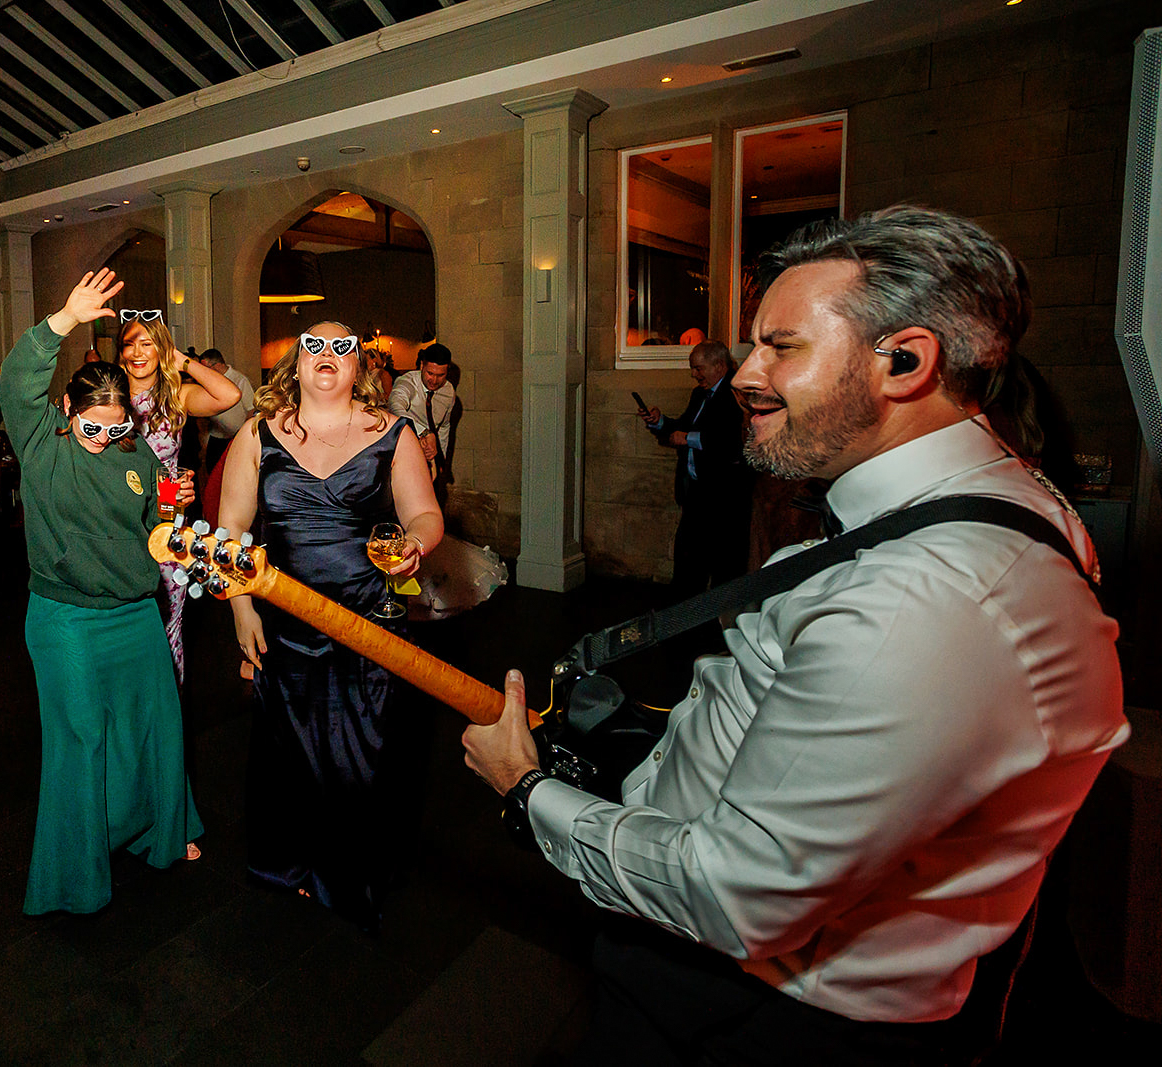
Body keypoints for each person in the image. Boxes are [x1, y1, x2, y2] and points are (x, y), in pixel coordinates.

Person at [462, 206, 1129, 1065]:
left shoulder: (918, 603)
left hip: (748, 1008)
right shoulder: (969, 502)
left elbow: (735, 893)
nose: (747, 374)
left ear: (905, 361)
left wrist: (527, 792)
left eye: (782, 347)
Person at [220, 321, 443, 931]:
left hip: (367, 622)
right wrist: (241, 608)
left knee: (360, 754)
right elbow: (230, 530)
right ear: (295, 364)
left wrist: (415, 546)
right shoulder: (256, 434)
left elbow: (424, 514)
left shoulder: (393, 434)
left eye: (341, 347)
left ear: (359, 367)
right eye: (313, 346)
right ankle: (289, 864)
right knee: (289, 751)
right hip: (283, 623)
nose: (327, 355)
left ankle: (351, 874)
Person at [1, 270, 204, 916]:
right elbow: (15, 380)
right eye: (94, 428)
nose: (106, 440)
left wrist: (174, 511)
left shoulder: (137, 455)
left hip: (135, 616)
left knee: (155, 727)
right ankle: (76, 875)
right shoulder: (42, 444)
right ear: (67, 409)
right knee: (83, 740)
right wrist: (64, 319)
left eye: (118, 430)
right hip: (67, 619)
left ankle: (158, 830)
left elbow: (152, 534)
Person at [115, 311, 242, 679]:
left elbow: (230, 395)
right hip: (121, 525)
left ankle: (169, 704)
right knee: (126, 628)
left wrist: (183, 361)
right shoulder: (110, 398)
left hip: (168, 524)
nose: (138, 352)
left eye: (147, 343)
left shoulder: (176, 396)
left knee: (170, 623)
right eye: (129, 344)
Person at [639, 340, 751, 597]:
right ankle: (685, 614)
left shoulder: (738, 395)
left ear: (719, 366)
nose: (693, 374)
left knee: (724, 567)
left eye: (698, 368)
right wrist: (659, 422)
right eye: (693, 368)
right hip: (696, 495)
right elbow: (682, 426)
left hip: (724, 498)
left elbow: (733, 442)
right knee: (688, 564)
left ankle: (717, 617)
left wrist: (688, 438)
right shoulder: (699, 394)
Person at [387, 342, 456, 500]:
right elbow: (395, 408)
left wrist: (441, 461)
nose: (434, 380)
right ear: (421, 366)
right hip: (404, 453)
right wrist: (424, 432)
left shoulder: (448, 391)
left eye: (441, 375)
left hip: (429, 459)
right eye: (430, 373)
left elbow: (444, 427)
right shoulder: (407, 382)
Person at [195, 348, 255, 479]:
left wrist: (242, 436)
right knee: (212, 474)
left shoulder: (240, 380)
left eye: (207, 368)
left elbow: (251, 409)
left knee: (231, 475)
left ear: (217, 365)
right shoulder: (208, 382)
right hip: (215, 437)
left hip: (234, 438)